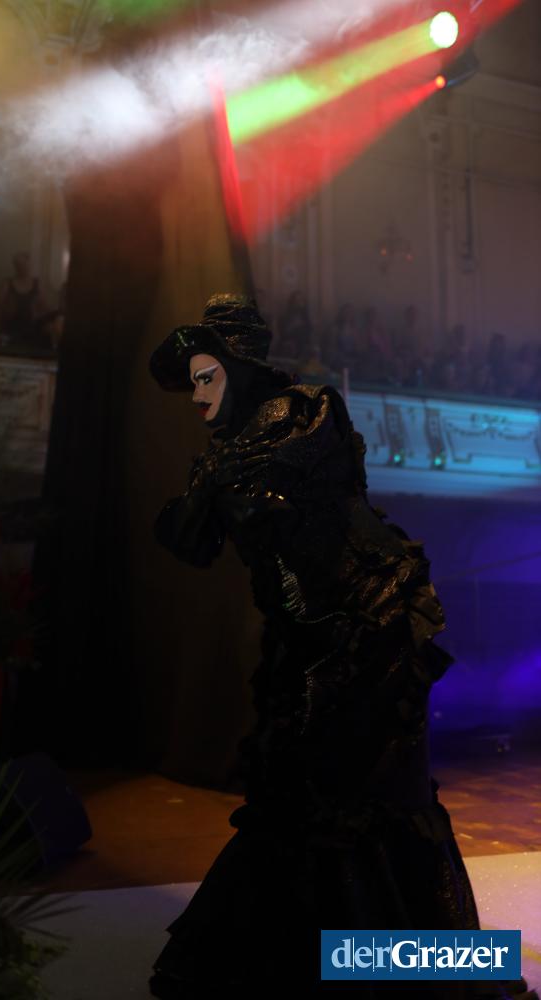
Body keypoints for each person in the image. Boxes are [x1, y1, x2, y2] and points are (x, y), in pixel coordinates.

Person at [147, 293, 537, 1000]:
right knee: (299, 801)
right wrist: (206, 487)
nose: (197, 395)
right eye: (192, 383)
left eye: (207, 377)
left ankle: (397, 965)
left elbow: (289, 491)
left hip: (369, 627)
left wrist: (220, 480)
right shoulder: (226, 453)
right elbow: (190, 543)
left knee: (373, 797)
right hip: (304, 641)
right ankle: (320, 963)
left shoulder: (304, 410)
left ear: (240, 367)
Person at [0, 251, 45, 347]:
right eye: (18, 265)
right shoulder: (7, 283)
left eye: (24, 264)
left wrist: (36, 314)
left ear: (29, 264)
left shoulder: (37, 284)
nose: (21, 267)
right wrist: (8, 309)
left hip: (32, 329)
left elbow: (44, 307)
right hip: (11, 328)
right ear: (15, 266)